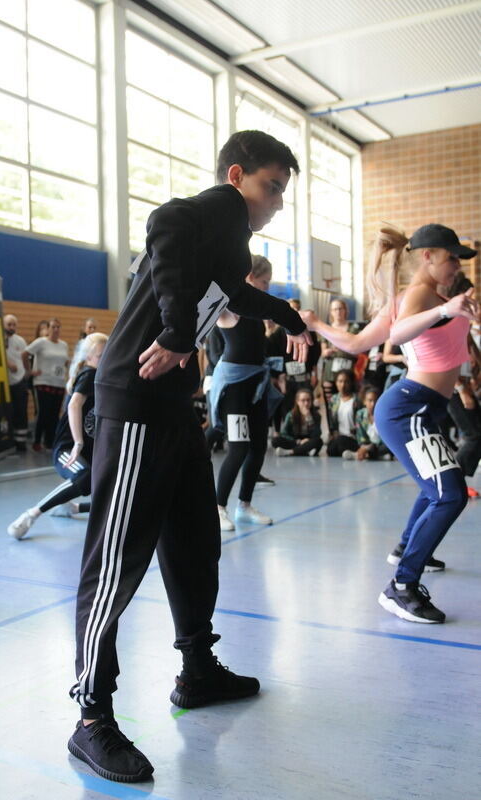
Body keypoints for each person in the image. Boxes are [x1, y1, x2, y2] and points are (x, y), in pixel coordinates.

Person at [66, 130, 311, 783]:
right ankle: (90, 716)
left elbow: (230, 294)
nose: (276, 204)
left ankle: (197, 667)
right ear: (236, 175)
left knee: (194, 542)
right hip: (136, 398)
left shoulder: (229, 244)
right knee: (117, 559)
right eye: (271, 188)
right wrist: (175, 332)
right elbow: (165, 237)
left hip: (176, 405)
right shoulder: (195, 214)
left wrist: (290, 318)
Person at [301, 223, 479, 623]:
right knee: (450, 495)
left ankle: (405, 548)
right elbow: (396, 335)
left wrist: (316, 324)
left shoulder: (419, 296)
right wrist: (447, 310)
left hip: (425, 407)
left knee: (435, 485)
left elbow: (355, 342)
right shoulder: (421, 296)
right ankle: (401, 585)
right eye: (451, 258)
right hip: (408, 407)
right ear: (428, 256)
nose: (455, 267)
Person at [7, 333, 108, 538]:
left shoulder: (103, 379)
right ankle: (32, 514)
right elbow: (74, 404)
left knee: (117, 491)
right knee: (85, 477)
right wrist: (78, 443)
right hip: (67, 450)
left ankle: (72, 508)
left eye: (108, 355)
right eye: (100, 355)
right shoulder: (89, 375)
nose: (104, 359)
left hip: (91, 452)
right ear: (88, 358)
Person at [210, 255, 281, 532]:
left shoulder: (258, 307)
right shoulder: (230, 304)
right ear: (249, 276)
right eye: (264, 282)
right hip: (235, 387)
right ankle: (218, 506)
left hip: (257, 385)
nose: (267, 287)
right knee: (238, 447)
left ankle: (244, 504)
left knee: (258, 446)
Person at [0, 314, 29, 452]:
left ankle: (20, 442)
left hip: (19, 381)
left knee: (21, 412)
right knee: (5, 412)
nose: (12, 327)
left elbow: (25, 357)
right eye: (9, 324)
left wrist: (27, 372)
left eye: (14, 324)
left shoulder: (20, 340)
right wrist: (7, 364)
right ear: (3, 325)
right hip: (2, 383)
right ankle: (6, 442)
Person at [23, 318, 69, 451]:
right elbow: (25, 354)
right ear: (48, 329)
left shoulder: (63, 345)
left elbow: (64, 361)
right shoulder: (41, 342)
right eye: (53, 327)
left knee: (55, 414)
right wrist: (29, 371)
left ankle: (50, 441)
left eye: (58, 327)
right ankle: (37, 441)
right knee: (44, 413)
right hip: (43, 382)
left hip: (59, 383)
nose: (55, 330)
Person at [319, 298, 360, 412]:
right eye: (335, 309)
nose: (338, 312)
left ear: (345, 310)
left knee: (349, 405)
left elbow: (358, 351)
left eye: (340, 308)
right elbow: (323, 353)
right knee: (331, 407)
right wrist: (328, 352)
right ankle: (333, 429)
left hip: (348, 373)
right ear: (331, 312)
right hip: (330, 374)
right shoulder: (326, 328)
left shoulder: (354, 328)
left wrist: (344, 348)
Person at [343, 385, 391, 461]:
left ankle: (362, 455)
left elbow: (387, 438)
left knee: (388, 447)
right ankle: (373, 455)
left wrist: (370, 447)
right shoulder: (360, 415)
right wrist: (365, 447)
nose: (373, 404)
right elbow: (361, 437)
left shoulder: (384, 415)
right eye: (370, 400)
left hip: (381, 445)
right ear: (364, 401)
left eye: (376, 400)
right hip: (367, 445)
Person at [273, 387, 322, 456]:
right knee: (275, 441)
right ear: (297, 401)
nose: (306, 403)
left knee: (319, 441)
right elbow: (284, 433)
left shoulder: (316, 416)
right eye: (303, 400)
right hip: (295, 441)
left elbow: (317, 434)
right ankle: (305, 450)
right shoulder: (291, 415)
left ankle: (290, 452)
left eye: (308, 400)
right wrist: (298, 441)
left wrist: (309, 419)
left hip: (309, 441)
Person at [325, 369, 360, 458]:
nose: (343, 385)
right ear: (336, 383)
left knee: (341, 443)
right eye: (340, 381)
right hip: (339, 436)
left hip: (353, 438)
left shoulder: (357, 400)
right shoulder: (334, 399)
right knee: (331, 450)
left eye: (346, 382)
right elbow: (331, 420)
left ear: (351, 383)